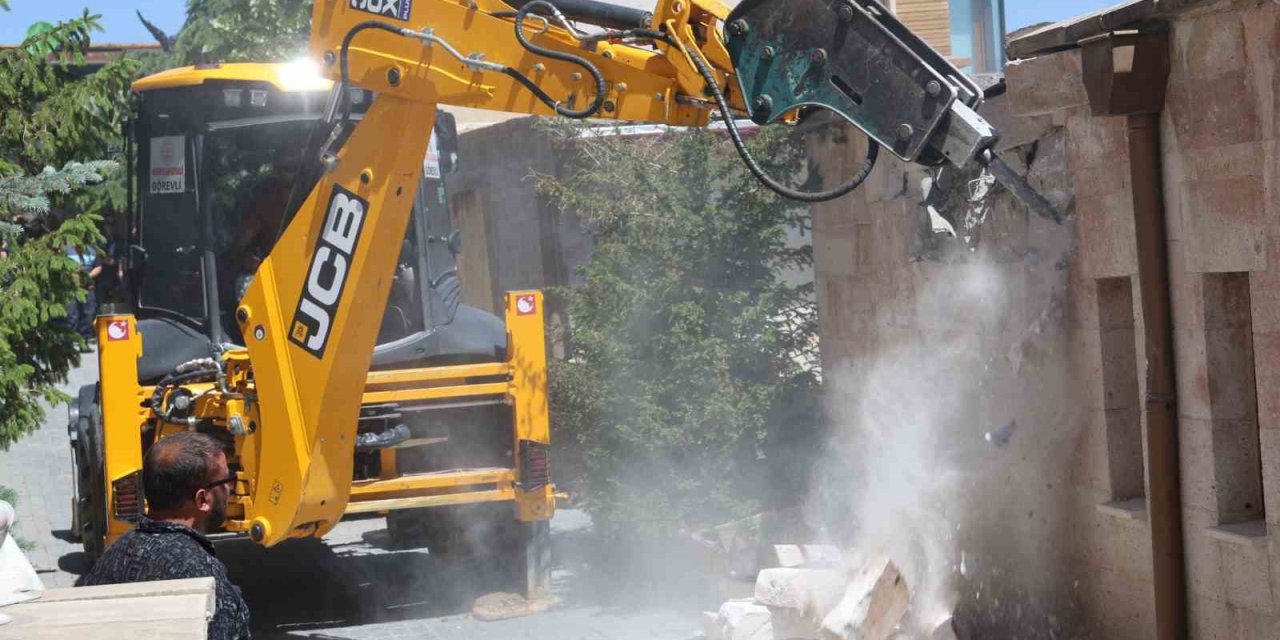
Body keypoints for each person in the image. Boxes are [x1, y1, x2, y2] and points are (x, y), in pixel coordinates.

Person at [76, 432, 251, 640]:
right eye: (227, 481)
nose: (229, 489)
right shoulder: (203, 575)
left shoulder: (112, 558)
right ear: (202, 499)